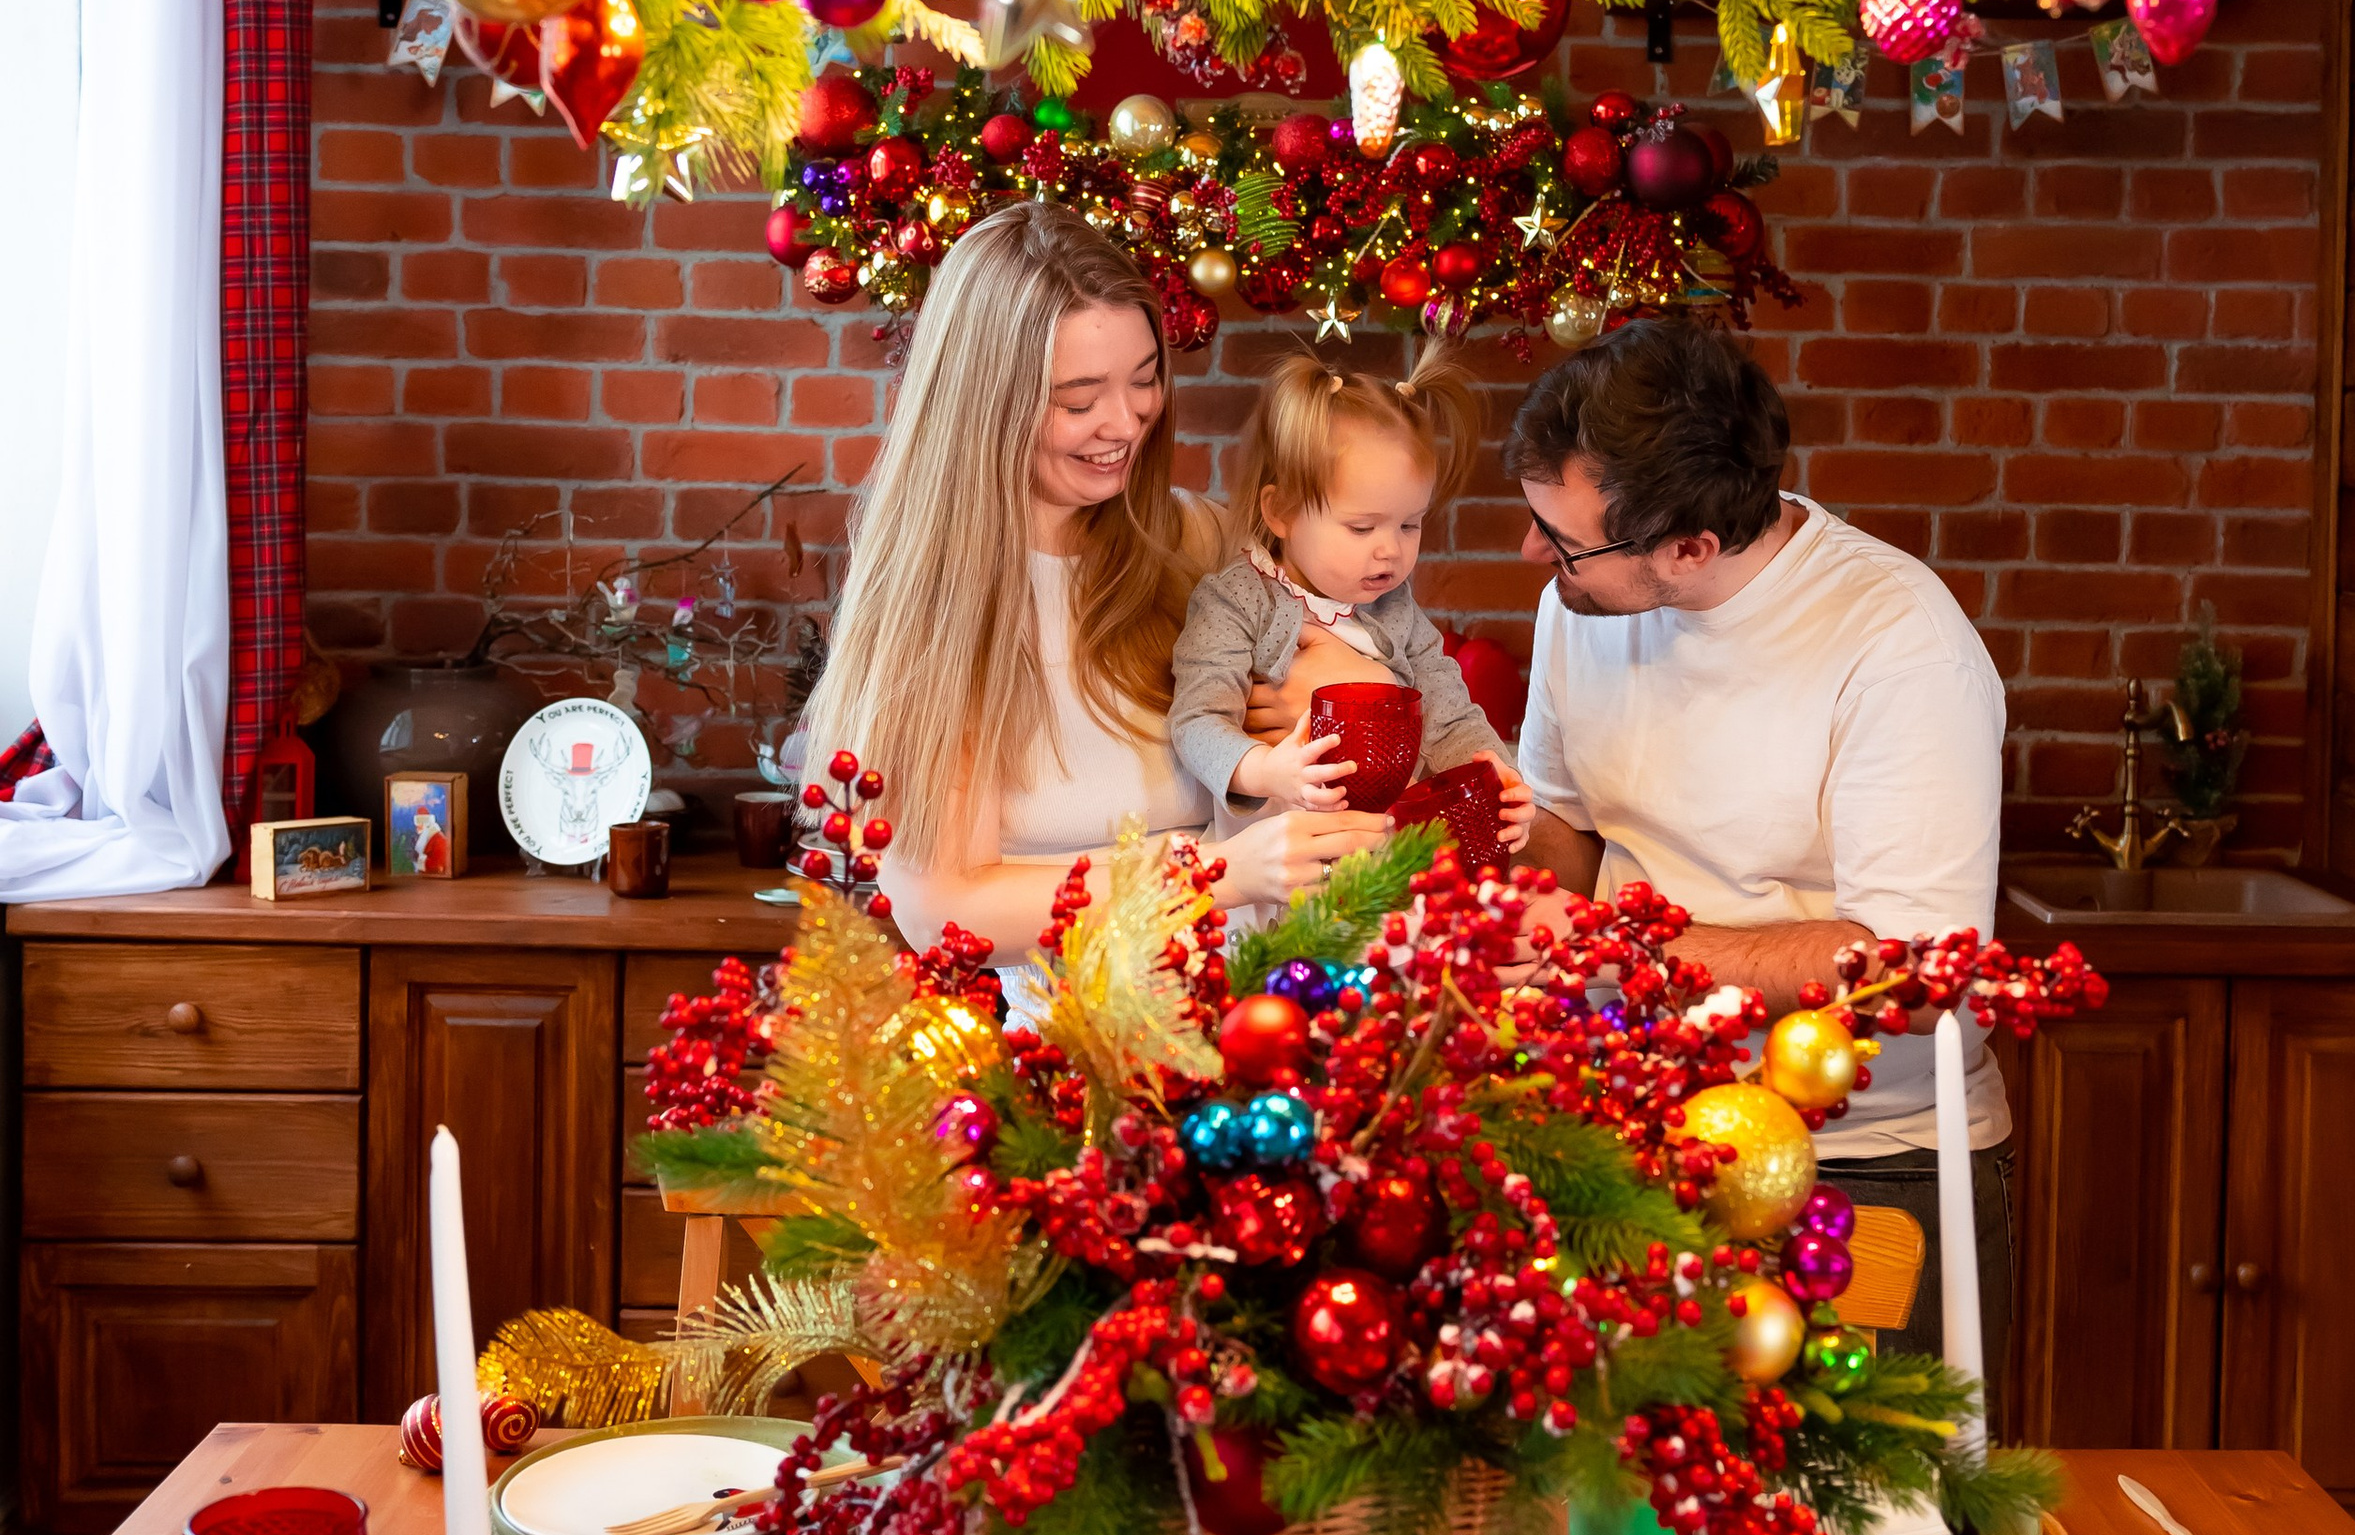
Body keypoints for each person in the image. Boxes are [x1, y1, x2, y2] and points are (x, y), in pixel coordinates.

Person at [1504, 317, 2013, 1393]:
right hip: (1627, 1140)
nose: (1533, 560)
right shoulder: (1581, 604)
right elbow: (1567, 819)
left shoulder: (1897, 645)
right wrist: (1503, 918)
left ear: (1690, 547)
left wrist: (1613, 945)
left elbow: (1911, 978)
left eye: (1565, 539)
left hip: (1862, 1168)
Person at [799, 204, 1376, 1007]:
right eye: (1078, 400)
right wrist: (1214, 874)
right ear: (985, 405)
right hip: (1081, 1065)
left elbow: (1339, 696)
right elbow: (943, 909)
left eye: (1144, 380)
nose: (1126, 422)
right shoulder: (936, 610)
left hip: (1271, 1011)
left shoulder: (1193, 540)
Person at [1168, 347, 1533, 847]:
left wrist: (1498, 777)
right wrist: (1267, 771)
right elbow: (1196, 722)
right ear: (1282, 513)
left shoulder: (1396, 608)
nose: (1391, 550)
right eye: (1361, 527)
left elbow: (1449, 714)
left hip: (1381, 849)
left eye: (1410, 524)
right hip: (1275, 851)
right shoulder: (1236, 601)